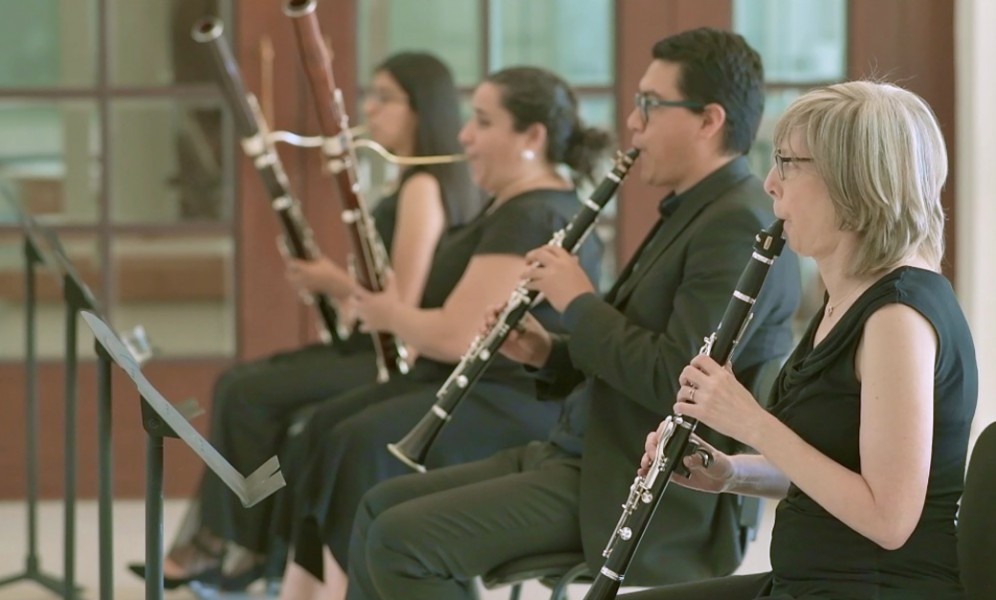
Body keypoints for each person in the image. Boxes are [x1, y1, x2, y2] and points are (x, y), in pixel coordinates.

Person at [344, 28, 802, 600]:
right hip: (583, 453)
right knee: (377, 508)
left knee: (400, 541)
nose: (632, 123)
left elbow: (674, 382)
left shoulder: (735, 225)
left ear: (708, 120)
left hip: (639, 487)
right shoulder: (695, 209)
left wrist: (576, 299)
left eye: (650, 106)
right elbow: (633, 348)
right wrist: (548, 352)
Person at [129, 51, 482, 589]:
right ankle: (237, 542)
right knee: (242, 387)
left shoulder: (423, 189)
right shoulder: (405, 182)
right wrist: (338, 291)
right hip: (372, 344)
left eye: (385, 97)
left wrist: (331, 281)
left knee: (247, 395)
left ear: (422, 108)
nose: (370, 107)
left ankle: (234, 544)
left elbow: (399, 299)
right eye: (372, 93)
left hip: (395, 358)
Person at [621, 81, 977, 599]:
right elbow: (835, 471)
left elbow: (888, 517)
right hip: (808, 580)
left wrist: (749, 422)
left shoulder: (898, 316)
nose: (769, 183)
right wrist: (730, 473)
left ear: (852, 180)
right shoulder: (848, 296)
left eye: (787, 162)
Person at [274, 65, 609, 600]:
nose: (464, 136)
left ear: (532, 137)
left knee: (359, 443)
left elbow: (458, 337)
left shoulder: (537, 213)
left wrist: (384, 311)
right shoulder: (507, 207)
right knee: (327, 425)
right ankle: (309, 588)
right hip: (469, 388)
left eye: (481, 121)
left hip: (511, 398)